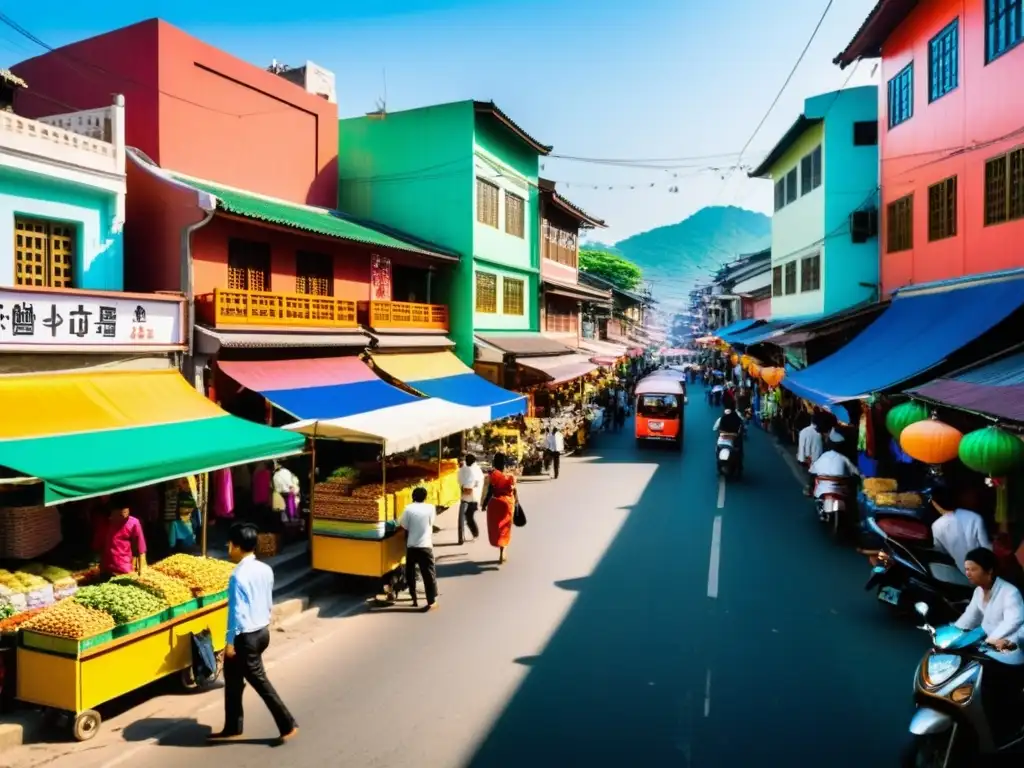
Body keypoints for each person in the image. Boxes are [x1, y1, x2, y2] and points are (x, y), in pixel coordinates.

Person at [212, 523, 298, 743]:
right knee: (231, 679)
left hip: (245, 638)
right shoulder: (265, 569)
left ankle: (287, 724)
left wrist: (229, 643)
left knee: (260, 682)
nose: (228, 548)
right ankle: (232, 726)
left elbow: (236, 613)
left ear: (237, 546)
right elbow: (268, 601)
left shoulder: (237, 576)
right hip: (262, 632)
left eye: (230, 544)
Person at [953, 547, 1024, 740]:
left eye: (973, 569)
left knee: (989, 685)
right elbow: (968, 619)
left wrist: (991, 640)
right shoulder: (978, 592)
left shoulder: (1010, 593)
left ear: (989, 571)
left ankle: (1002, 725)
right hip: (987, 645)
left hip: (1010, 646)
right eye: (967, 569)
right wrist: (949, 633)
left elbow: (1014, 621)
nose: (967, 573)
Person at [931, 488, 993, 577]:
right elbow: (986, 547)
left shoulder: (936, 526)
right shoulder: (974, 517)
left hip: (963, 574)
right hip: (984, 571)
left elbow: (940, 552)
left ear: (935, 504)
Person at [397, 486, 439, 609]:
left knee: (410, 574)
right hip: (426, 546)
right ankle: (431, 601)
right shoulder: (431, 508)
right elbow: (431, 523)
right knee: (428, 574)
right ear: (425, 497)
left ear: (412, 497)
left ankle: (414, 598)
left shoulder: (408, 509)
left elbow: (403, 525)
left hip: (412, 546)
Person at [94, 494, 147, 577]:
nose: (124, 514)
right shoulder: (104, 523)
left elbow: (141, 549)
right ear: (112, 511)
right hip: (107, 570)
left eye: (126, 511)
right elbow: (98, 546)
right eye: (120, 513)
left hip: (125, 571)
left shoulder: (134, 523)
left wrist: (141, 570)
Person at [483, 452, 517, 565]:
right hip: (508, 504)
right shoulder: (511, 477)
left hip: (495, 503)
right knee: (505, 528)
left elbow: (489, 492)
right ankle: (503, 551)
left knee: (496, 528)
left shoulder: (493, 475)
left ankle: (499, 545)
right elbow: (514, 491)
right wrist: (516, 502)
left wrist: (484, 504)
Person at [807, 430, 859, 498]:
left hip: (821, 492)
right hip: (841, 491)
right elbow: (857, 473)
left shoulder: (823, 456)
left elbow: (811, 470)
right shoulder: (844, 458)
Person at [456, 454, 484, 544]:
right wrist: (462, 485)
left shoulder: (477, 470)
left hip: (474, 496)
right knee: (466, 516)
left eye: (469, 461)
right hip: (465, 493)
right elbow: (460, 478)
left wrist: (473, 486)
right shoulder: (464, 468)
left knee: (469, 517)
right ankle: (462, 535)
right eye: (466, 460)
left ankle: (475, 534)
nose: (467, 462)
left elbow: (477, 481)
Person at [796, 419, 825, 496]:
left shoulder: (803, 431)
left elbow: (801, 445)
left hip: (804, 458)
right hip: (815, 458)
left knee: (807, 474)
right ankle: (810, 489)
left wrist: (801, 456)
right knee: (813, 475)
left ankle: (808, 488)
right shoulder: (818, 433)